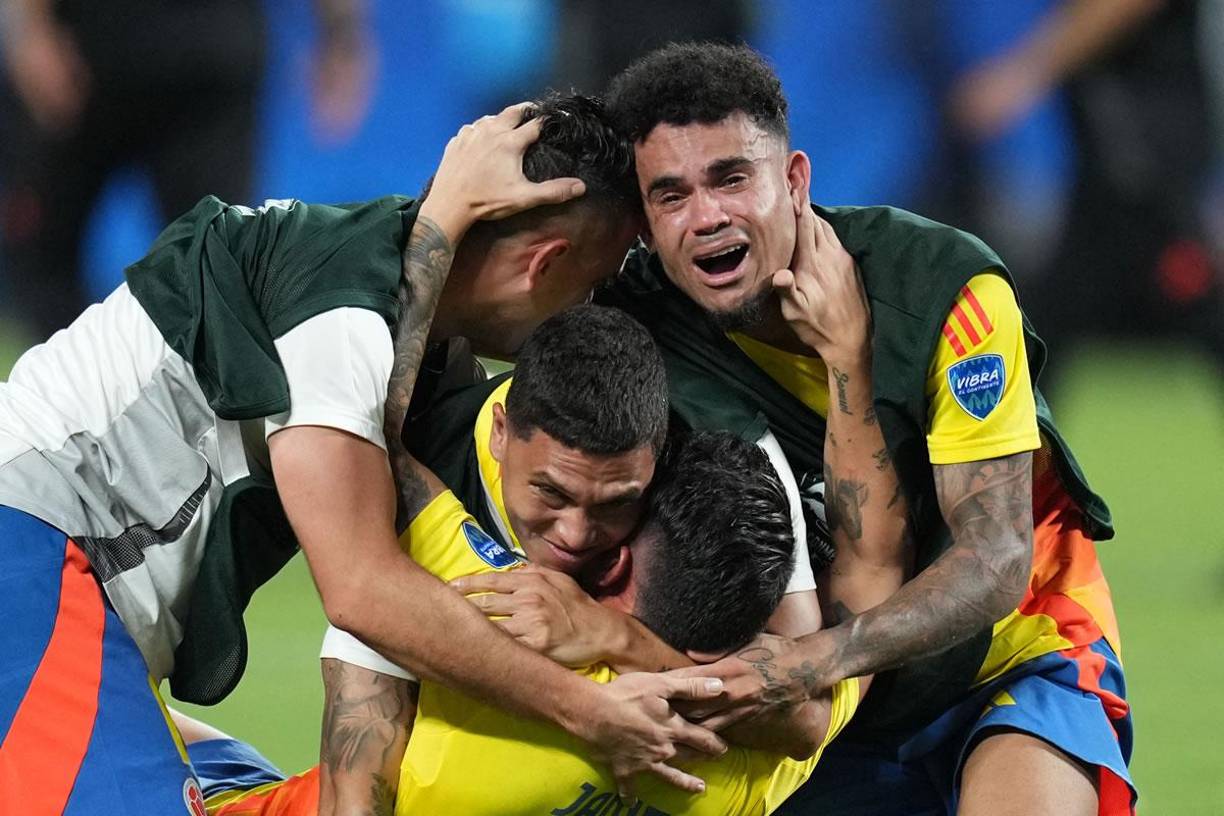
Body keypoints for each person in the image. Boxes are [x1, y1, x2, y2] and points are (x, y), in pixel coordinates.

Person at [0, 97, 724, 813]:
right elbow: (362, 589)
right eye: (595, 286)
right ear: (545, 262)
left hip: (86, 610)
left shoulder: (426, 354)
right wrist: (585, 710)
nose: (594, 310)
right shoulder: (342, 306)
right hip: (31, 548)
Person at [599, 42, 1133, 815]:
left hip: (1011, 659)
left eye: (731, 178)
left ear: (794, 180)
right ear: (644, 223)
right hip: (826, 707)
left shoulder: (944, 284)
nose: (706, 216)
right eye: (671, 195)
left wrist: (811, 662)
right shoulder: (639, 330)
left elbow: (995, 559)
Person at [181, 427, 883, 816]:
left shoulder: (507, 617)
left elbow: (366, 434)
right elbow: (866, 613)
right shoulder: (765, 769)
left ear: (613, 570)